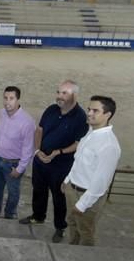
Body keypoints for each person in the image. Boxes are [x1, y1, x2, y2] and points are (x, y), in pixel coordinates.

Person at [19, 80, 88, 243]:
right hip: (41, 161)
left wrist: (58, 152)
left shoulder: (80, 117)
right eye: (58, 92)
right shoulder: (51, 110)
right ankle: (38, 216)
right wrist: (37, 151)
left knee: (59, 198)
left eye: (64, 93)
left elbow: (79, 143)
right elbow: (40, 130)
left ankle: (60, 227)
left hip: (61, 166)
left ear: (74, 95)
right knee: (38, 191)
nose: (59, 96)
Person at [63, 96, 121, 246]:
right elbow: (78, 160)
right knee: (72, 222)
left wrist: (82, 204)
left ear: (107, 115)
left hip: (88, 197)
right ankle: (72, 247)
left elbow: (101, 182)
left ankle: (83, 258)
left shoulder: (109, 145)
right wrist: (67, 180)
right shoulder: (90, 132)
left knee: (86, 230)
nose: (89, 113)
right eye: (89, 109)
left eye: (95, 110)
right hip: (73, 188)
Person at [0, 86, 35, 219]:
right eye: (5, 98)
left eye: (11, 98)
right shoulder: (2, 113)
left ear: (18, 100)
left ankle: (10, 214)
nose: (7, 102)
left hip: (13, 164)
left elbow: (28, 149)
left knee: (13, 191)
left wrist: (20, 169)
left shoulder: (27, 122)